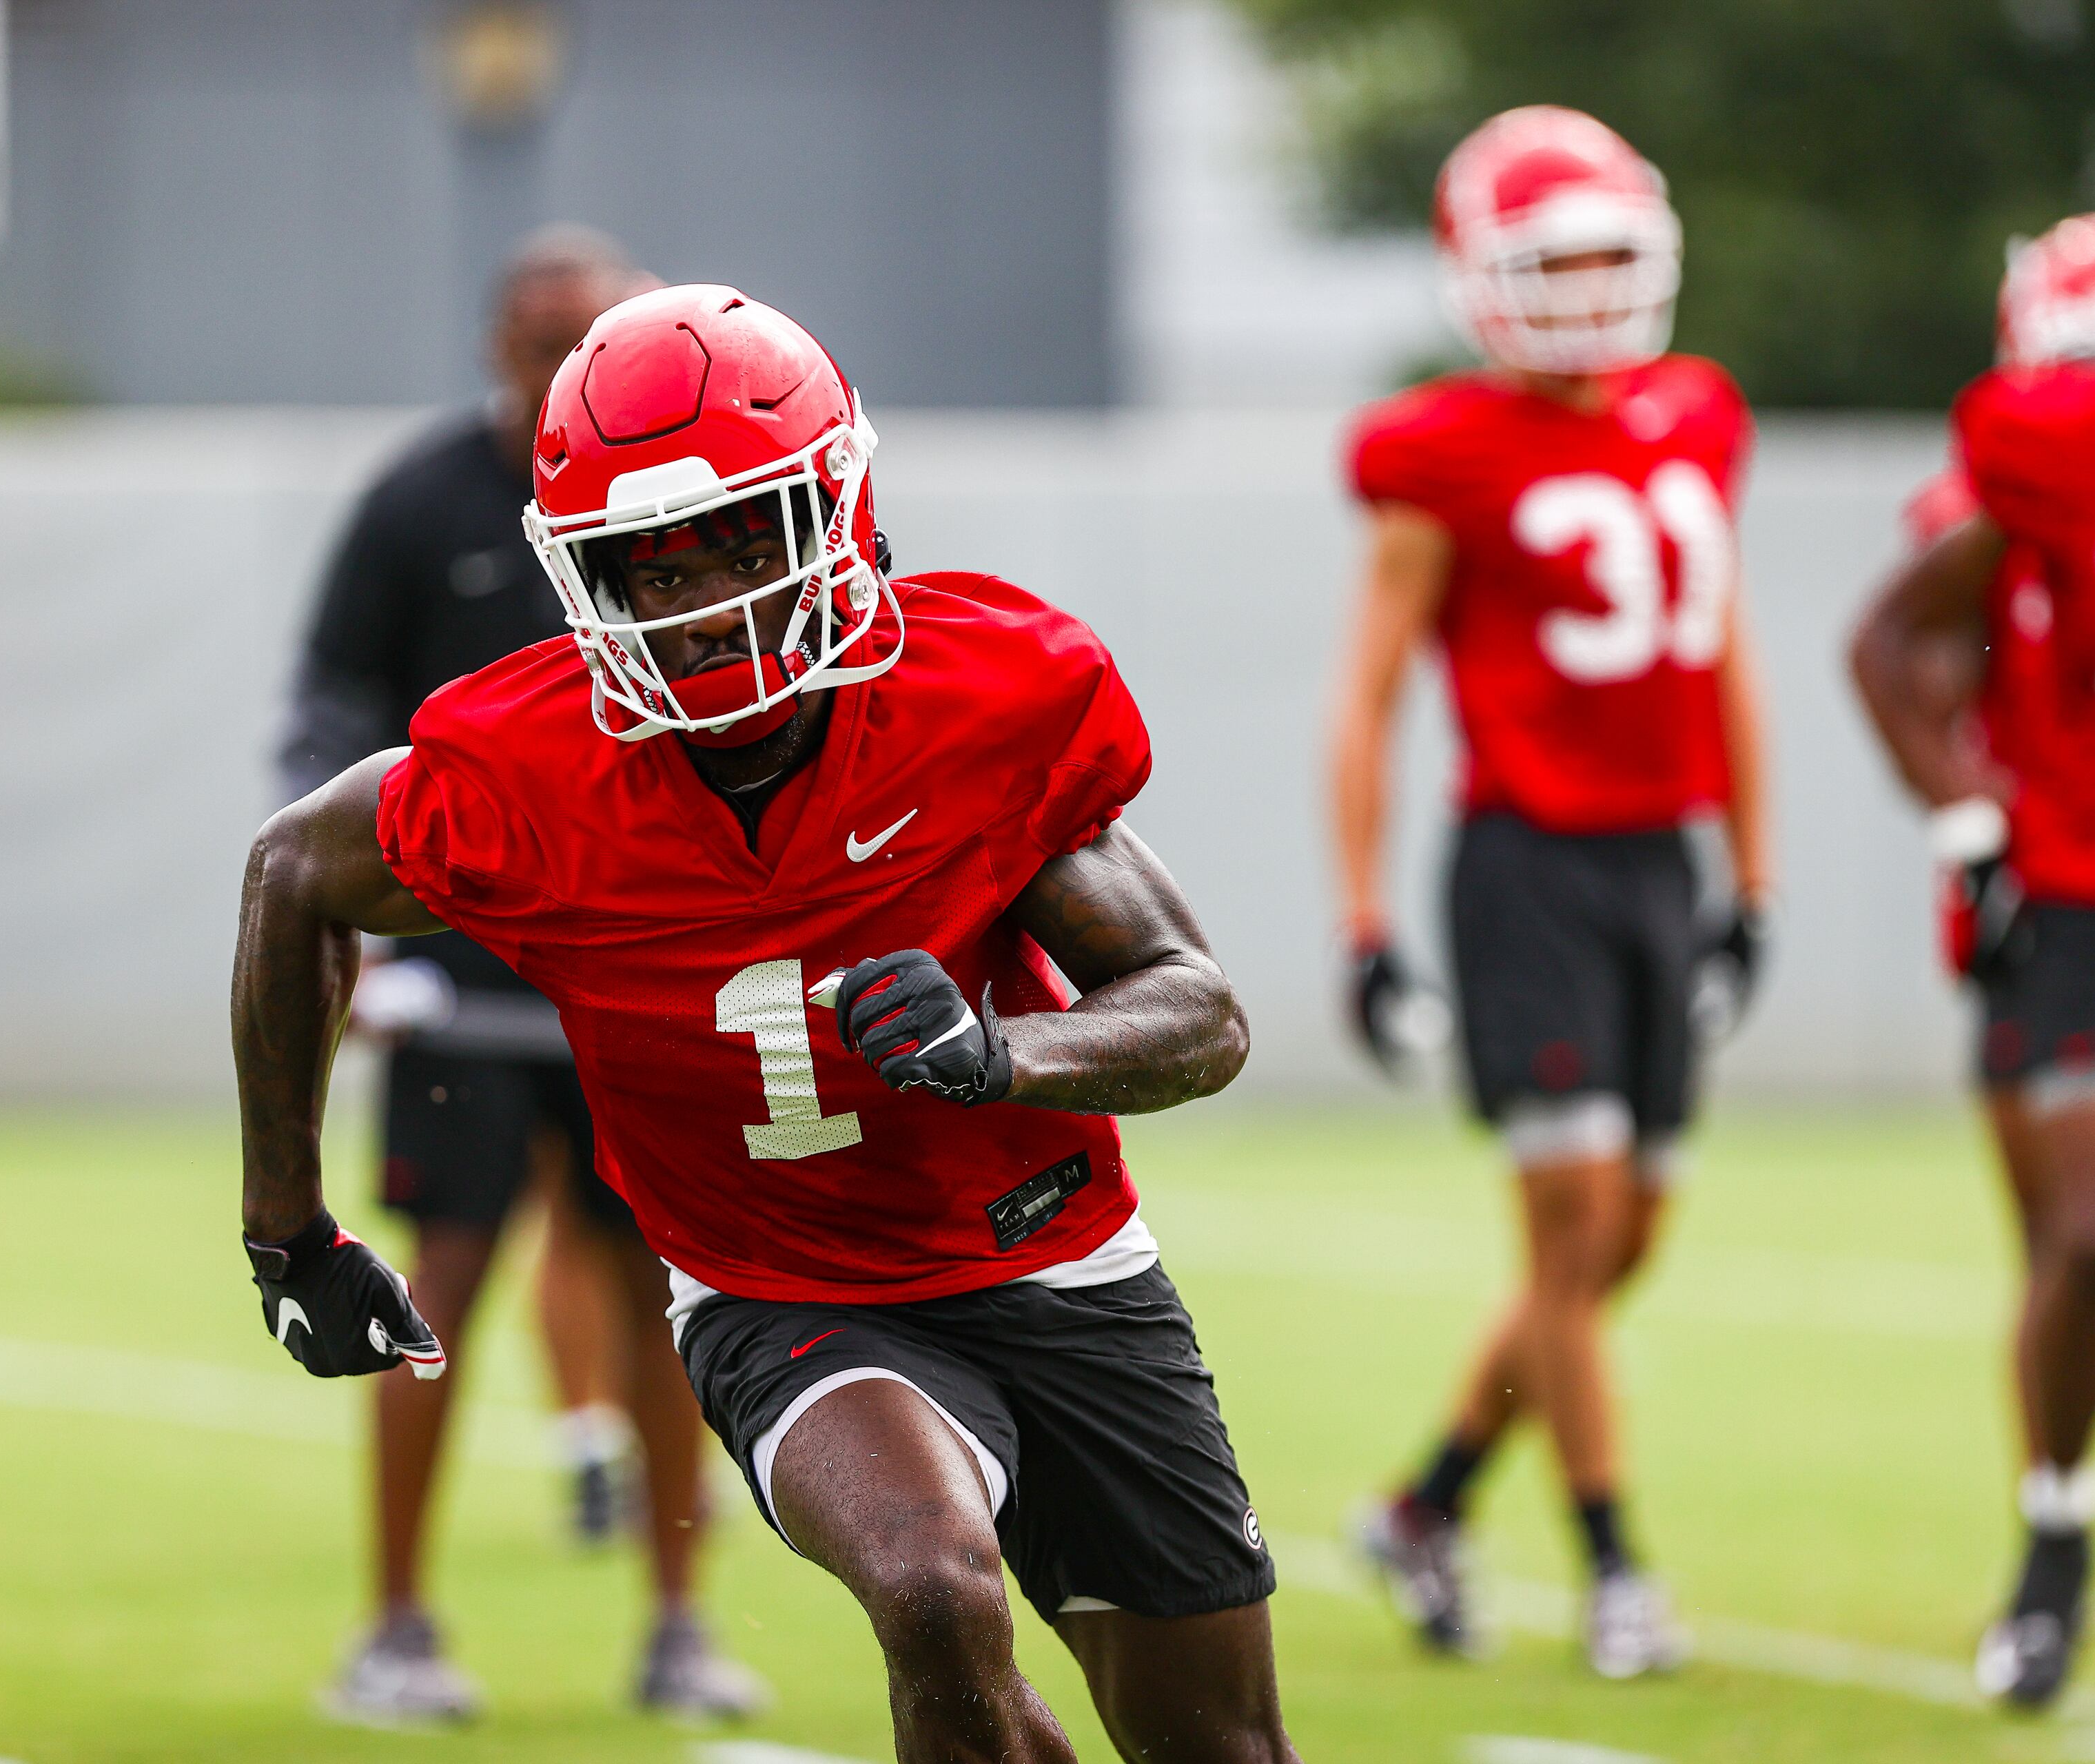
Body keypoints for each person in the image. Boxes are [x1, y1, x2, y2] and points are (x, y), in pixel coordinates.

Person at [233, 283, 1298, 1763]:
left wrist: (1003, 1055)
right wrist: (288, 1228)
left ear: (839, 507)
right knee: (930, 1584)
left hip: (1054, 1254)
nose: (709, 602)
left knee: (1222, 1746)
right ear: (583, 577)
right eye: (651, 568)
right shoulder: (529, 770)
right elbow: (292, 869)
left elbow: (1200, 1013)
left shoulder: (975, 698)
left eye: (742, 537)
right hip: (784, 1291)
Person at [274, 225, 763, 1724]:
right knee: (441, 1284)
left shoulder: (675, 500)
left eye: (597, 333)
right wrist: (363, 942)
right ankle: (397, 1621)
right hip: (465, 978)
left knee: (670, 1294)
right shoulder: (420, 501)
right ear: (499, 345)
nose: (569, 361)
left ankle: (680, 1620)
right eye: (545, 335)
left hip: (635, 964)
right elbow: (326, 720)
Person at [1329, 106, 1772, 1678]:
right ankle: (1612, 1564)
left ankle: (1424, 1502)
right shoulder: (1436, 451)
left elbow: (1724, 654)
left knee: (1616, 1244)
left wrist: (1755, 878)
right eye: (1551, 259)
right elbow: (1371, 695)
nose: (1585, 289)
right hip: (1526, 867)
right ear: (1480, 275)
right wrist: (1364, 922)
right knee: (1573, 1228)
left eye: (1605, 256)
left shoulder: (1698, 415)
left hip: (1660, 861)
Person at [1850, 137, 2095, 1713]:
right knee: (2093, 1233)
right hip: (2088, 894)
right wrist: (1968, 813)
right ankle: (2059, 1536)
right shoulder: (2055, 442)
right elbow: (1893, 636)